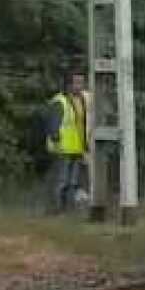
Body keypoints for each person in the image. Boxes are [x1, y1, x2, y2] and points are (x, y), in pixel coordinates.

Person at [44, 71, 89, 213]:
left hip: (77, 147)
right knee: (61, 181)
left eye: (82, 82)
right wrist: (56, 138)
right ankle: (56, 208)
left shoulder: (82, 99)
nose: (80, 86)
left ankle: (68, 208)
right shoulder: (60, 101)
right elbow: (53, 124)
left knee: (73, 181)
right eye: (77, 82)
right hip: (62, 147)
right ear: (68, 85)